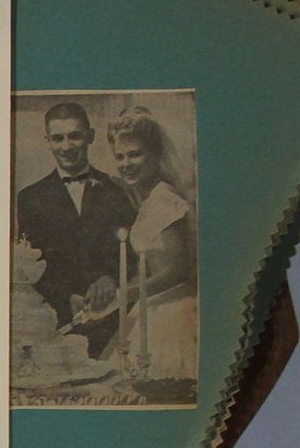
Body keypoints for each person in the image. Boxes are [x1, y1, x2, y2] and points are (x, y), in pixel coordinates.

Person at [14, 101, 137, 355]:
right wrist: (66, 296)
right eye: (58, 138)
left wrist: (110, 278)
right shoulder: (30, 198)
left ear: (90, 136)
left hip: (116, 319)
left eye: (75, 136)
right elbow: (30, 264)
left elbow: (135, 252)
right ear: (47, 141)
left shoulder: (117, 190)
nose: (66, 146)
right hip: (58, 322)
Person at [108, 106, 199, 384]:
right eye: (120, 156)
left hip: (171, 312)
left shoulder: (164, 201)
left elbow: (175, 272)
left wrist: (123, 294)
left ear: (156, 154)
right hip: (153, 306)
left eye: (135, 154)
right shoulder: (151, 200)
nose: (126, 164)